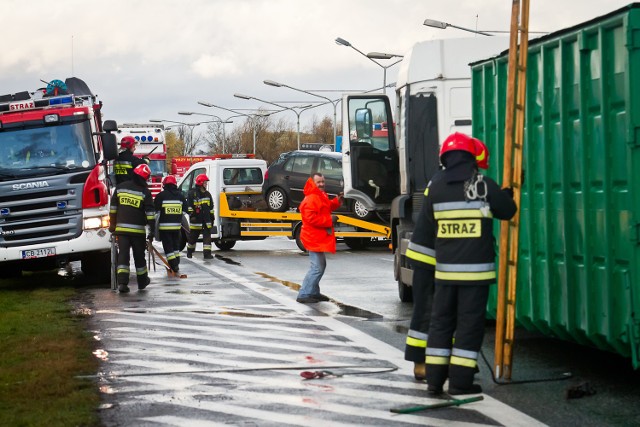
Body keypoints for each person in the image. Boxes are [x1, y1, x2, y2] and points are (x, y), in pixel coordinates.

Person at [419, 132, 516, 395]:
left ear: (446, 158)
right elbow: (507, 211)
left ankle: (434, 382)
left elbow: (428, 221)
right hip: (475, 275)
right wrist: (505, 195)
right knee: (468, 327)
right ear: (470, 157)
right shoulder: (481, 184)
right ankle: (460, 383)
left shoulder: (436, 186)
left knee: (440, 325)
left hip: (445, 275)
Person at [404, 137, 492, 382]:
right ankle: (422, 363)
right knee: (430, 310)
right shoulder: (450, 182)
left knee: (441, 312)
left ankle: (447, 364)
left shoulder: (442, 179)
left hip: (436, 254)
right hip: (430, 255)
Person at [296, 173, 343, 304]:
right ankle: (304, 293)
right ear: (313, 182)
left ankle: (313, 292)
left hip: (316, 237)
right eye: (319, 182)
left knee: (319, 266)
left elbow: (326, 207)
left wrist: (337, 201)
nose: (322, 184)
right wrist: (329, 220)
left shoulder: (319, 195)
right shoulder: (312, 198)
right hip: (313, 237)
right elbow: (310, 218)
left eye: (323, 181)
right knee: (317, 268)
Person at [109, 163, 156, 293]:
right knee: (139, 257)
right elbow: (150, 215)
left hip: (122, 230)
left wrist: (112, 225)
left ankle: (122, 283)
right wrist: (151, 232)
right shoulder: (145, 192)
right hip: (137, 232)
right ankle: (142, 282)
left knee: (123, 256)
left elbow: (113, 208)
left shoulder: (120, 187)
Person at [154, 175, 188, 276]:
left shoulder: (161, 196)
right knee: (176, 247)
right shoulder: (181, 196)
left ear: (164, 185)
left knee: (168, 248)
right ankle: (176, 262)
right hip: (177, 227)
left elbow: (155, 210)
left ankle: (174, 265)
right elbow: (185, 211)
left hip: (165, 228)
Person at [186, 173, 215, 259]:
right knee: (193, 238)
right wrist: (192, 215)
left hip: (206, 220)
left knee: (207, 238)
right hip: (196, 220)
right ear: (200, 183)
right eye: (205, 183)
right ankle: (189, 252)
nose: (206, 184)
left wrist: (212, 217)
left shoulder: (207, 194)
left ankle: (207, 254)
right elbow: (189, 206)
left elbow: (211, 207)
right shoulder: (192, 193)